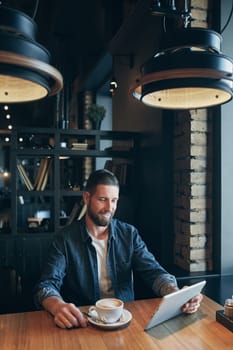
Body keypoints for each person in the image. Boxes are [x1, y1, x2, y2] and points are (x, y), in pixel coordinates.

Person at [34, 169, 203, 329]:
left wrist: (176, 295)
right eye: (102, 199)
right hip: (83, 321)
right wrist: (57, 306)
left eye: (114, 200)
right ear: (86, 198)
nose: (109, 208)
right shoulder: (64, 239)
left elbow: (154, 272)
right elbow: (46, 286)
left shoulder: (129, 234)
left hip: (125, 321)